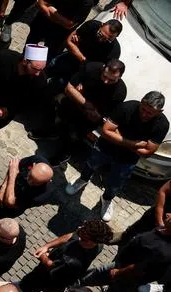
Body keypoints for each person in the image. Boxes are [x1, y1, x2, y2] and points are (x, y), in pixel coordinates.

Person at [65, 90, 168, 220]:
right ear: (141, 101)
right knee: (90, 164)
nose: (145, 114)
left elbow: (147, 152)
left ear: (160, 112)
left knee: (116, 183)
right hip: (105, 147)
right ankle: (83, 180)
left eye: (150, 113)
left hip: (127, 159)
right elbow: (105, 131)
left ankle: (107, 199)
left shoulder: (162, 124)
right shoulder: (128, 107)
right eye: (143, 109)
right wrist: (135, 144)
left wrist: (118, 136)